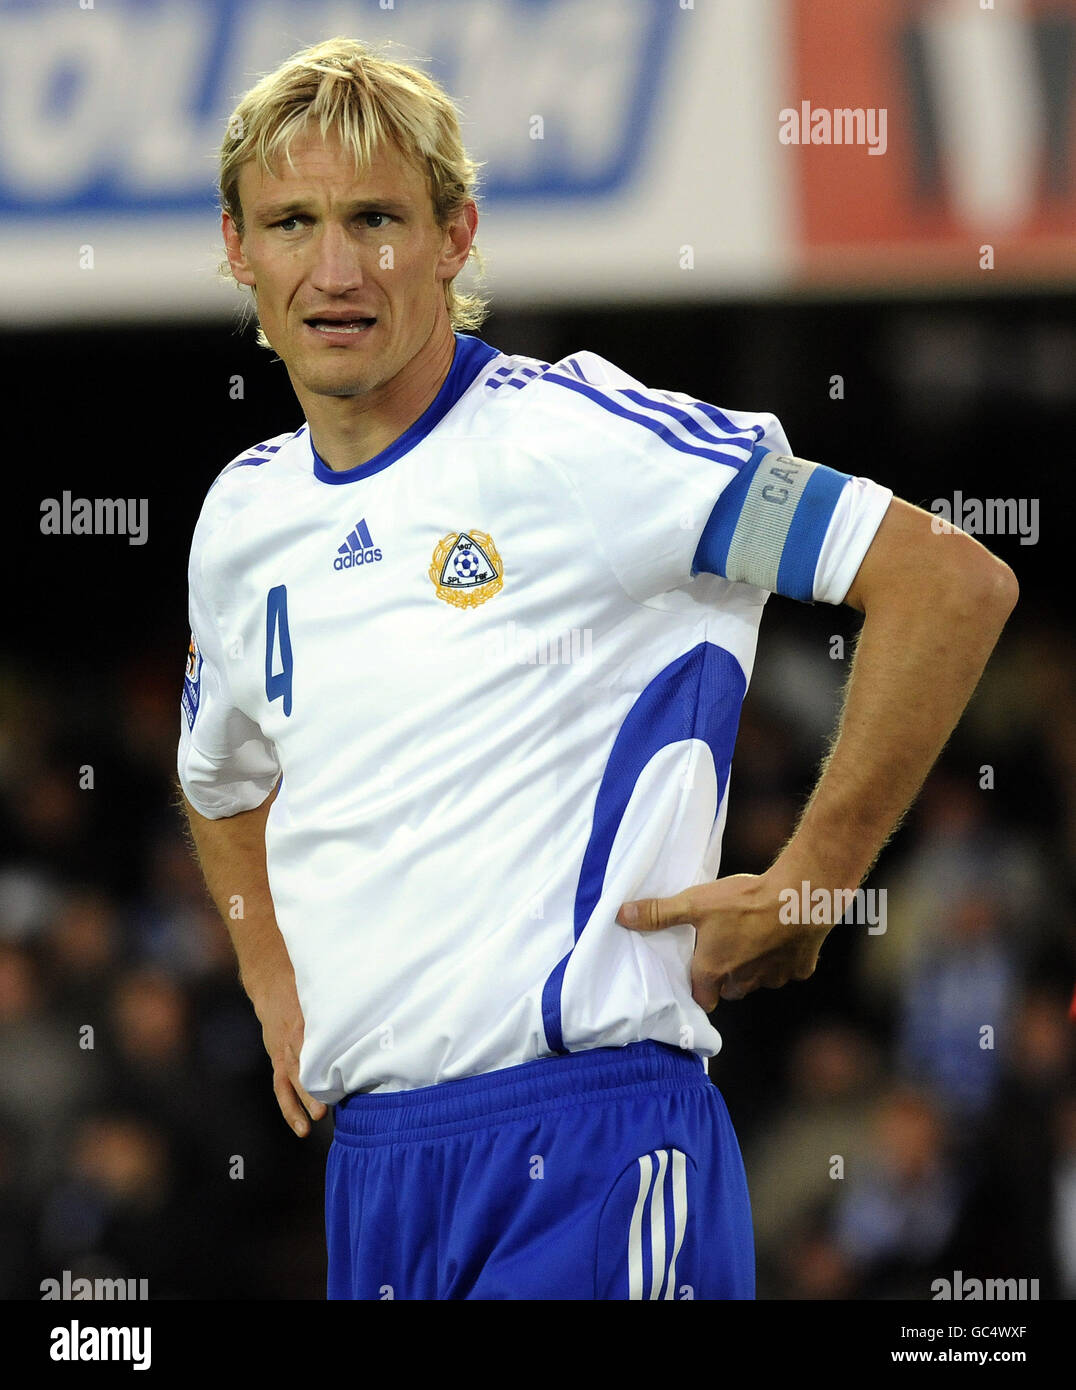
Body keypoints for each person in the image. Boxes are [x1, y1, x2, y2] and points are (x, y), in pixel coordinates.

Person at [177, 36, 1018, 1301]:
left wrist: (811, 880)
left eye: (376, 219)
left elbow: (947, 579)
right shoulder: (242, 521)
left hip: (592, 1146)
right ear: (239, 250)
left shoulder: (578, 441)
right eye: (292, 222)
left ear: (456, 236)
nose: (336, 269)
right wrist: (267, 973)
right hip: (378, 1169)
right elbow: (220, 780)